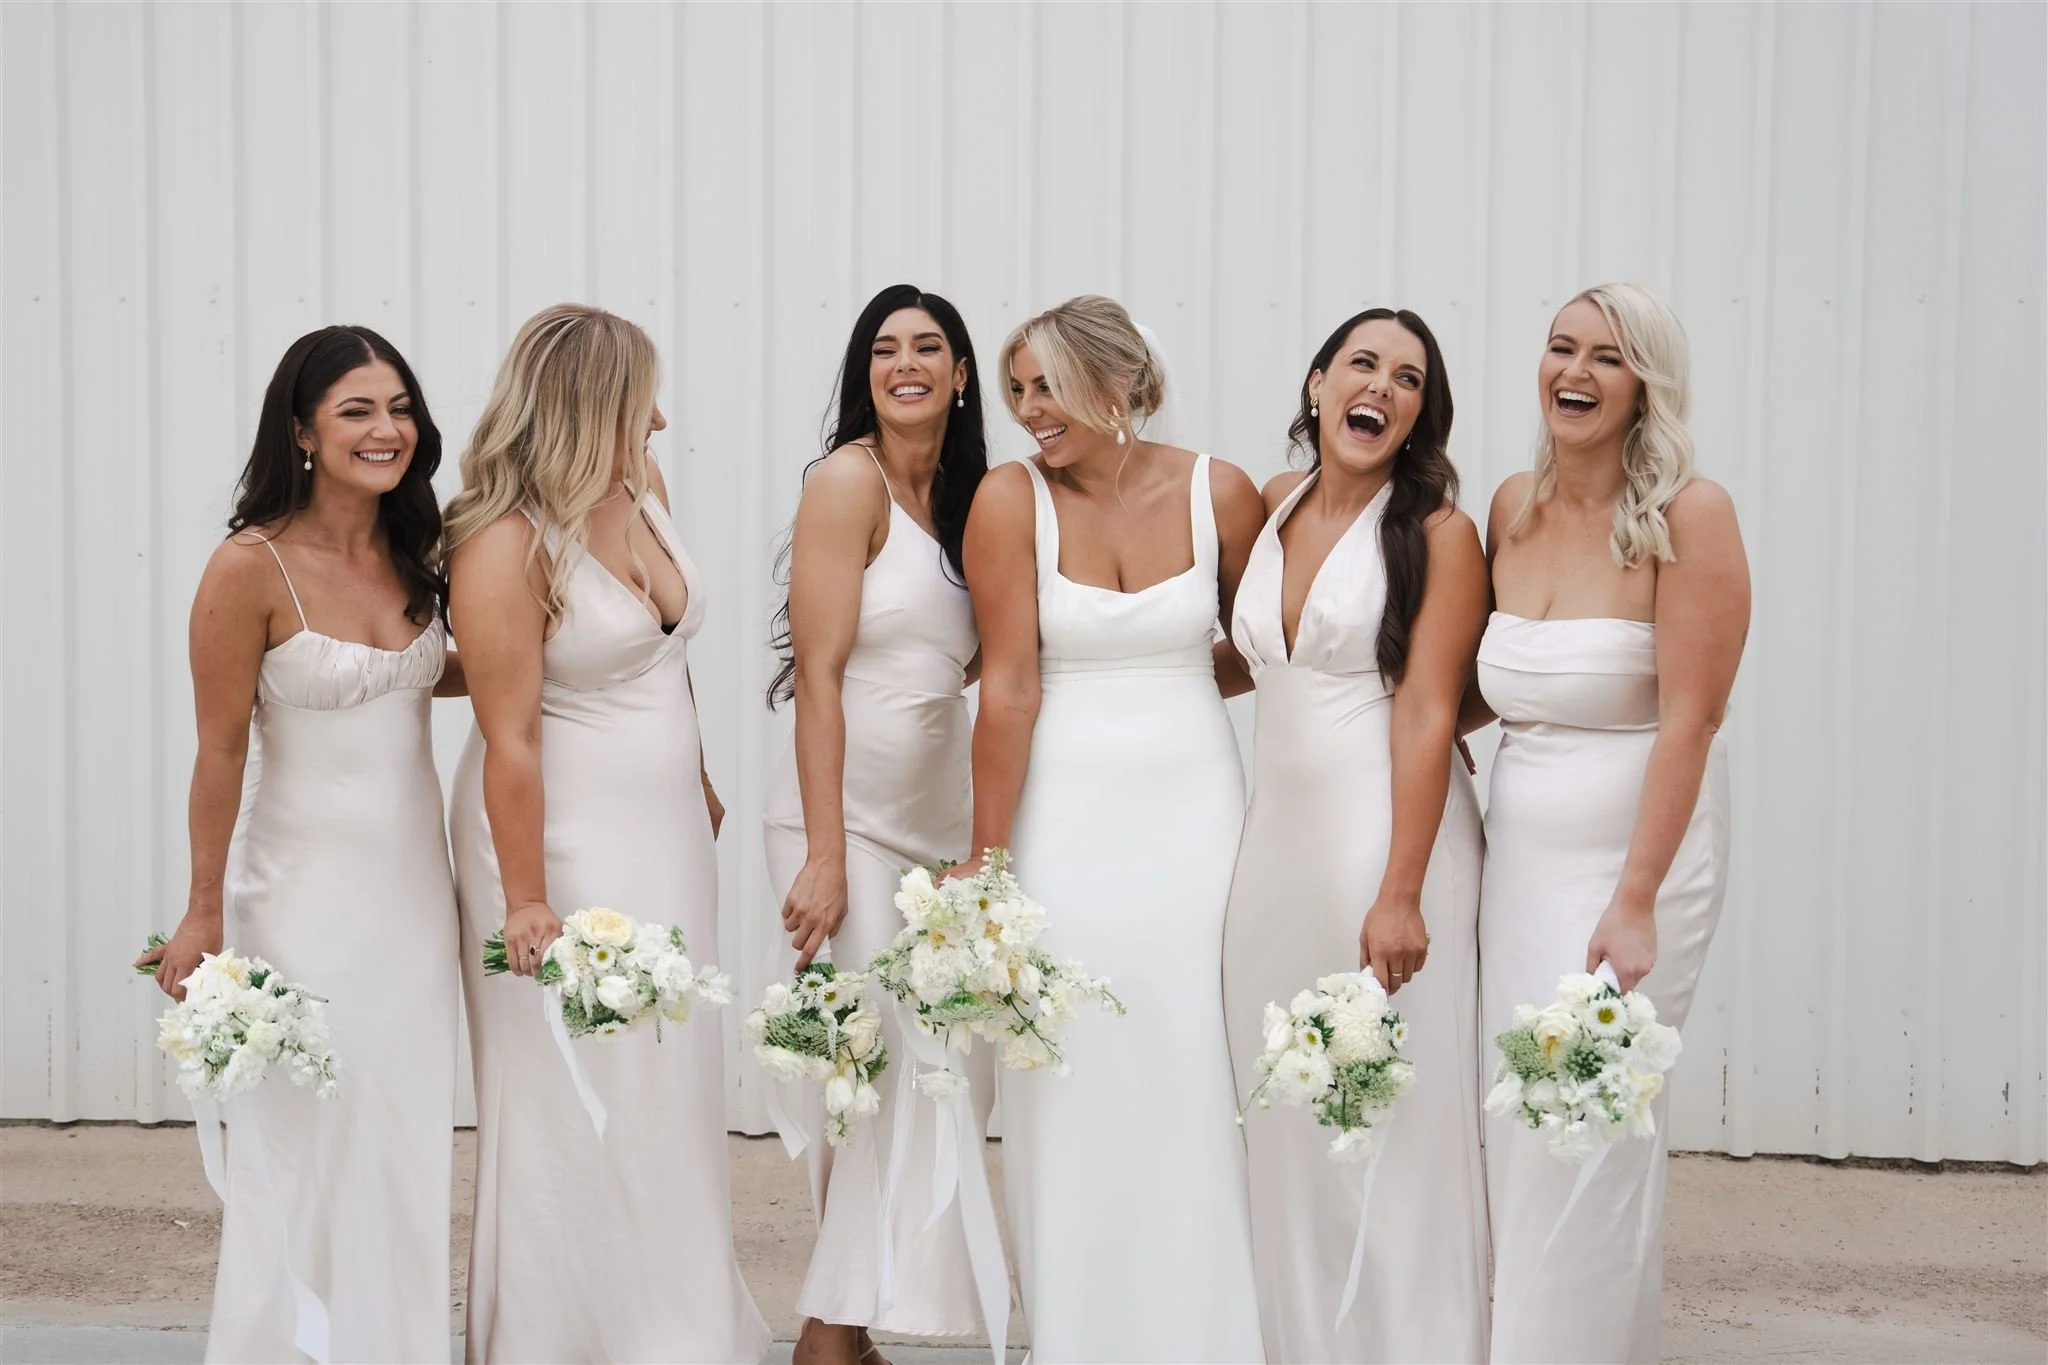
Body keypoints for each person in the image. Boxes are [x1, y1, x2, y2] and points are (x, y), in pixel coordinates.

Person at [442, 303, 768, 1363]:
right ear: (590, 409)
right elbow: (510, 737)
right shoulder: (501, 541)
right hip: (556, 839)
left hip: (664, 833)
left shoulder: (642, 488)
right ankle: (564, 1336)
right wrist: (527, 898)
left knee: (667, 1071)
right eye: (643, 403)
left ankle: (671, 1325)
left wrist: (700, 775)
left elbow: (667, 656)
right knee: (575, 1080)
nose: (660, 421)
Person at [138, 325, 462, 1363]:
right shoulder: (250, 565)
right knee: (305, 1131)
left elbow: (465, 670)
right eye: (356, 410)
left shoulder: (420, 552)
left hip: (415, 900)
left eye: (399, 408)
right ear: (303, 432)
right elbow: (219, 751)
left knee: (399, 1129)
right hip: (301, 900)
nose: (385, 429)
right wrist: (203, 910)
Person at [958, 294, 1266, 1360]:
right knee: (1073, 1054)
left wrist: (1172, 683)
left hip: (1196, 812)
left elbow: (1271, 644)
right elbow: (1007, 686)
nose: (1029, 410)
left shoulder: (1220, 490)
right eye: (1017, 390)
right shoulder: (1010, 499)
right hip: (1065, 813)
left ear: (1119, 380)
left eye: (1048, 384)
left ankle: (1210, 1331)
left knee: (1193, 1050)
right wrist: (988, 858)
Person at [1470, 283, 1750, 1363]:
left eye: (1607, 356)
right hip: (1519, 861)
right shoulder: (1511, 506)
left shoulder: (1692, 513)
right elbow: (1490, 687)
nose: (1575, 372)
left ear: (1647, 385)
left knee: (1582, 1123)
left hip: (1634, 864)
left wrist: (1634, 901)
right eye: (1561, 348)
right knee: (1516, 1117)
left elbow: (1694, 720)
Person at [1221, 307, 1491, 1362]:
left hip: (1387, 842)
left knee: (1392, 1112)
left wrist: (1400, 890)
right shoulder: (1273, 502)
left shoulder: (1438, 534)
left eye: (1408, 378)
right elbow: (1247, 659)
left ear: (1421, 413)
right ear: (1318, 382)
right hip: (1274, 854)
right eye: (1362, 364)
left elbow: (1427, 710)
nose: (1380, 386)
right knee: (1284, 1104)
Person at [760, 284, 997, 1363]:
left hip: (937, 828)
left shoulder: (974, 500)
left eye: (929, 347)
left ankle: (845, 1335)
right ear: (866, 374)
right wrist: (823, 854)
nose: (906, 363)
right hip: (841, 822)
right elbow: (817, 675)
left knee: (937, 1074)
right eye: (885, 348)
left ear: (960, 375)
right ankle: (828, 1337)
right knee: (866, 1072)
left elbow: (980, 664)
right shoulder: (845, 481)